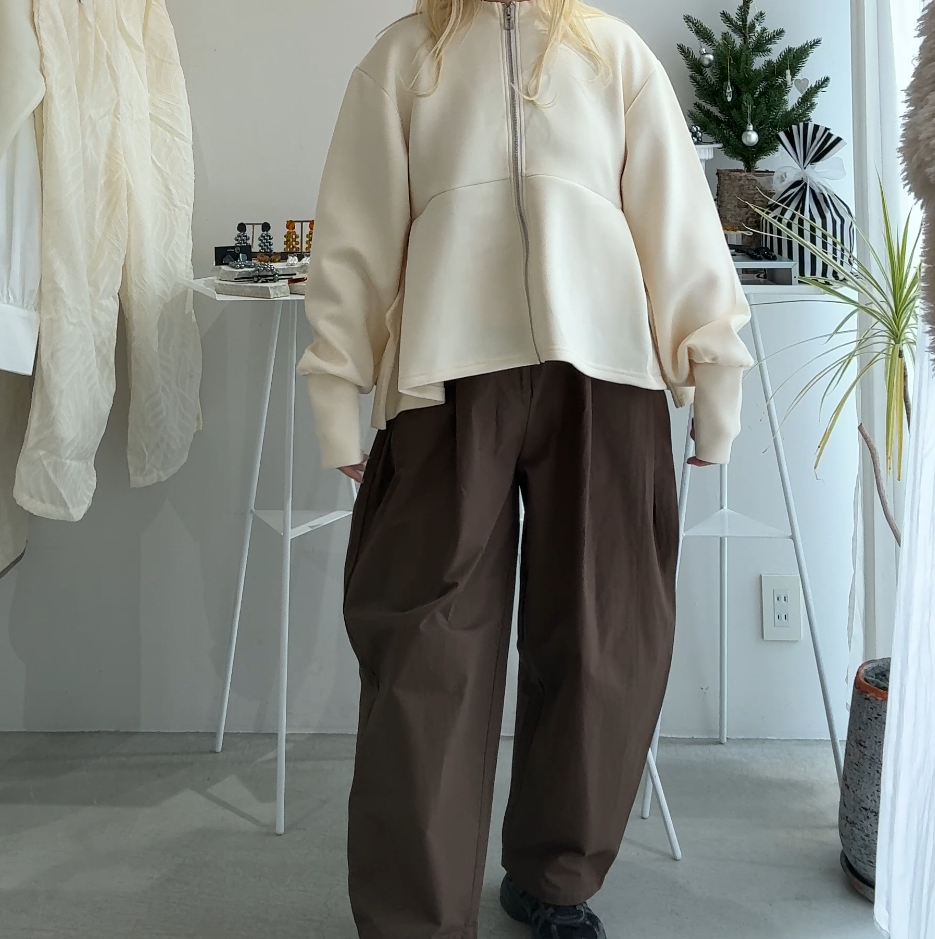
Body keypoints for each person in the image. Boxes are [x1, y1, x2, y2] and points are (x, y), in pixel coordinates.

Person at [297, 1, 753, 937]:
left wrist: (713, 373)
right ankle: (414, 916)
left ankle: (555, 877)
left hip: (605, 370)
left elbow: (675, 220)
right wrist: (336, 386)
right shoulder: (405, 58)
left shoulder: (612, 53)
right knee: (423, 650)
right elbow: (355, 232)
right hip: (443, 375)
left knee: (602, 637)